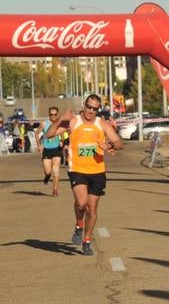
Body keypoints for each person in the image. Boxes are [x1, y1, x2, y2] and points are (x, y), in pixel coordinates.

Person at [50, 95, 124, 256]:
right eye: (89, 107)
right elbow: (50, 134)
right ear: (84, 106)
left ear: (98, 110)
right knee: (82, 203)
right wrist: (61, 118)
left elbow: (119, 143)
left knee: (92, 209)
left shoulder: (101, 124)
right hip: (77, 168)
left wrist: (110, 144)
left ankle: (87, 240)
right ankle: (79, 225)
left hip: (97, 171)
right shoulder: (74, 121)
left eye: (95, 109)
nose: (91, 111)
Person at [38, 107, 65, 197]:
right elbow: (37, 133)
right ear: (49, 114)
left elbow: (62, 134)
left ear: (57, 114)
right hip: (47, 149)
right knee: (48, 171)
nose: (53, 116)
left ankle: (55, 190)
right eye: (51, 114)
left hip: (56, 148)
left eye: (55, 114)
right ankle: (47, 176)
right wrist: (39, 144)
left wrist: (62, 140)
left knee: (56, 170)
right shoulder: (44, 123)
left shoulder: (59, 124)